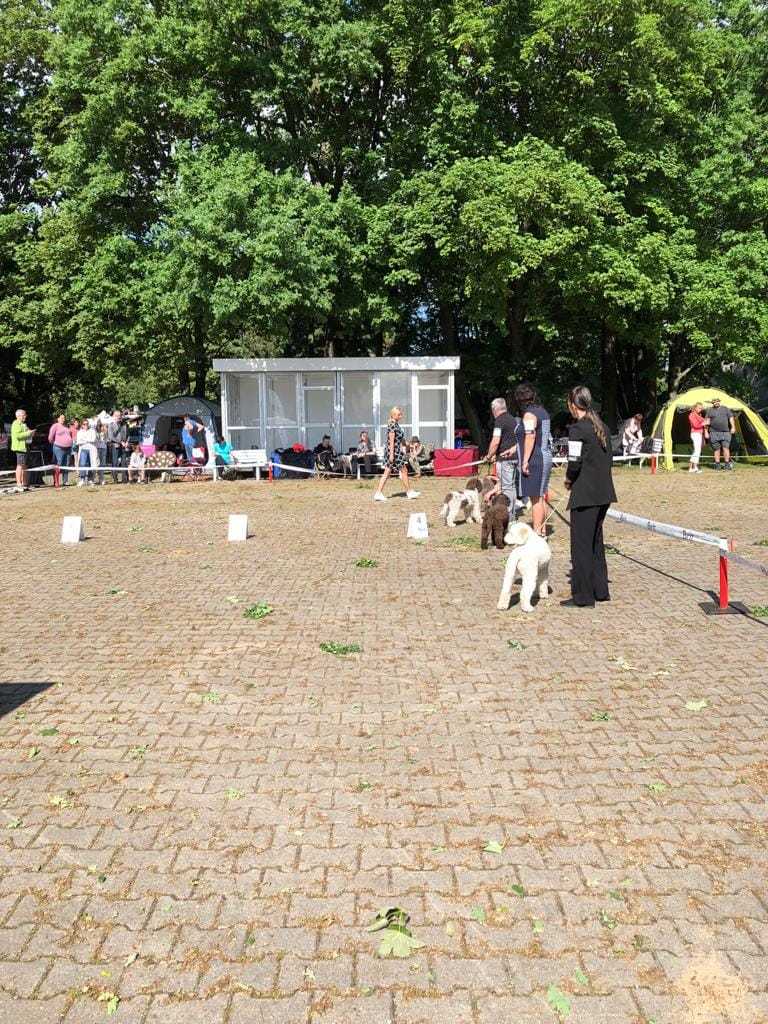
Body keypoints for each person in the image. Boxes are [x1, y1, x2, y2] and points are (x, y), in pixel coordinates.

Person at [563, 385, 617, 607]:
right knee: (596, 543)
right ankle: (600, 590)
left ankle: (583, 596)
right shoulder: (602, 426)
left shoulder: (577, 430)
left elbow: (574, 462)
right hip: (603, 492)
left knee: (581, 546)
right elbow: (609, 460)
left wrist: (569, 479)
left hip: (585, 494)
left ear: (572, 405)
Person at [507, 383, 552, 536]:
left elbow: (531, 436)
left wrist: (525, 460)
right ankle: (543, 530)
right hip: (545, 456)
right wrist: (514, 449)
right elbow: (536, 436)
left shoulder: (529, 415)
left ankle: (537, 533)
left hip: (535, 459)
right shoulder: (543, 412)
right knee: (541, 495)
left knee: (535, 498)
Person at [373, 407, 420, 502]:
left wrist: (410, 445)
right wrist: (391, 455)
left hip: (396, 451)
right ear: (394, 415)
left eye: (400, 414)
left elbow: (402, 440)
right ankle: (409, 492)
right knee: (401, 470)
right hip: (393, 452)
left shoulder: (397, 425)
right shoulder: (392, 425)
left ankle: (379, 493)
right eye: (399, 414)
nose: (401, 416)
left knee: (393, 471)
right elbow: (391, 441)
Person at [485, 397, 519, 511]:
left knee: (506, 488)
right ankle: (512, 513)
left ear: (495, 409)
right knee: (511, 487)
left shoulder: (499, 421)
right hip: (515, 457)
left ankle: (507, 514)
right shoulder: (512, 419)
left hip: (505, 459)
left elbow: (495, 441)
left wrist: (489, 456)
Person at [704, 396, 736, 470]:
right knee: (716, 449)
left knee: (726, 448)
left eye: (717, 401)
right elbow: (707, 422)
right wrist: (706, 432)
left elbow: (731, 418)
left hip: (725, 432)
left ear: (719, 401)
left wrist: (733, 427)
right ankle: (717, 465)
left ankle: (727, 465)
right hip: (713, 433)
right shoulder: (709, 410)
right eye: (714, 402)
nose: (716, 402)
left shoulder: (725, 408)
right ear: (712, 403)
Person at [10, 409, 34, 493]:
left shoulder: (24, 424)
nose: (25, 416)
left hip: (25, 447)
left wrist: (31, 433)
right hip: (19, 448)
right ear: (18, 416)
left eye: (25, 415)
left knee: (25, 465)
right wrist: (28, 433)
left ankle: (25, 484)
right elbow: (18, 436)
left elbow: (27, 434)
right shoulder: (15, 424)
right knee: (20, 465)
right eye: (24, 415)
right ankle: (19, 484)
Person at [48, 414, 73, 487]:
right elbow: (50, 437)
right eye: (61, 418)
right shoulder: (55, 426)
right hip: (58, 448)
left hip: (68, 448)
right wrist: (56, 443)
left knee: (66, 464)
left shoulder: (66, 426)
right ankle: (56, 481)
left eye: (64, 418)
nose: (63, 419)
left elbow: (70, 436)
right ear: (58, 419)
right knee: (58, 464)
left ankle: (65, 481)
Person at [107, 410, 130, 483]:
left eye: (119, 415)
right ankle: (115, 479)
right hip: (115, 446)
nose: (118, 417)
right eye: (116, 415)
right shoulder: (111, 425)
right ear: (113, 416)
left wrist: (127, 442)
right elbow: (111, 437)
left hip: (124, 446)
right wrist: (120, 442)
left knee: (124, 462)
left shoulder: (125, 424)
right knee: (115, 462)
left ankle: (124, 479)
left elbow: (128, 435)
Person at [76, 418, 98, 486]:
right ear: (82, 425)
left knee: (91, 465)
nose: (86, 425)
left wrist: (84, 440)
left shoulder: (92, 431)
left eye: (87, 424)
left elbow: (93, 439)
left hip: (92, 450)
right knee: (82, 464)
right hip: (83, 449)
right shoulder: (79, 432)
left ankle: (90, 479)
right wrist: (87, 440)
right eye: (84, 424)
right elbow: (78, 441)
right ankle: (82, 479)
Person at [688, 402, 706, 473]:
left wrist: (705, 422)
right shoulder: (691, 415)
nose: (700, 409)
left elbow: (703, 421)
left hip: (699, 434)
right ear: (695, 408)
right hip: (695, 434)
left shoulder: (699, 415)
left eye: (701, 408)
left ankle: (691, 468)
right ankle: (695, 467)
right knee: (697, 451)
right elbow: (695, 425)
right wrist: (703, 423)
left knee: (696, 450)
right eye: (699, 408)